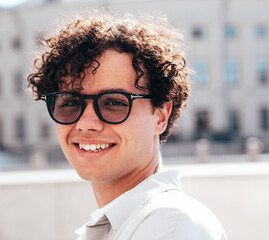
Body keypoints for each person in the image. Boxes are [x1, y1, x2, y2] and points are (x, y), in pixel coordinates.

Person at [27, 11, 227, 240]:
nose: (86, 123)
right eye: (70, 102)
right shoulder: (124, 224)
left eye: (114, 102)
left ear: (161, 116)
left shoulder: (173, 224)